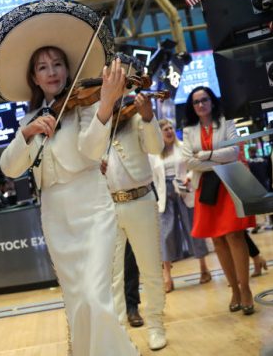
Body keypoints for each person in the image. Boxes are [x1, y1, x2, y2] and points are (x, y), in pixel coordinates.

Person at [0, 0, 138, 356]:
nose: (51, 72)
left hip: (92, 209)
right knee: (77, 300)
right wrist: (26, 134)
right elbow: (9, 167)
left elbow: (90, 151)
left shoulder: (86, 105)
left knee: (97, 298)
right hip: (55, 216)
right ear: (33, 77)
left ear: (68, 70)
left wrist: (106, 105)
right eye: (42, 67)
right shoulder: (32, 118)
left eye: (57, 65)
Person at [102, 70, 167, 351]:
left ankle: (156, 326)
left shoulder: (137, 116)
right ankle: (119, 336)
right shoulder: (96, 120)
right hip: (108, 206)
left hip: (141, 200)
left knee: (151, 270)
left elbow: (156, 147)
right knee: (113, 277)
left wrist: (149, 117)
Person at [182, 86, 256, 315]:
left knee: (235, 235)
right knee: (218, 241)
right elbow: (188, 162)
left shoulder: (227, 123)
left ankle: (245, 290)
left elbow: (234, 152)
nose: (201, 104)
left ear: (212, 101)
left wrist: (204, 156)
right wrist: (216, 157)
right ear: (192, 107)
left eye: (204, 100)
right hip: (205, 189)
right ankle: (233, 289)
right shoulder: (189, 131)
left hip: (229, 184)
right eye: (196, 102)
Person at [151, 118, 211, 292]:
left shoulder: (184, 147)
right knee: (166, 234)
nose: (169, 131)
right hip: (164, 195)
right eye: (165, 129)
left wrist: (189, 178)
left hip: (184, 191)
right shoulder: (154, 153)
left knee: (193, 229)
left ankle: (204, 268)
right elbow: (153, 178)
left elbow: (194, 166)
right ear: (159, 133)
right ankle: (167, 277)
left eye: (171, 128)